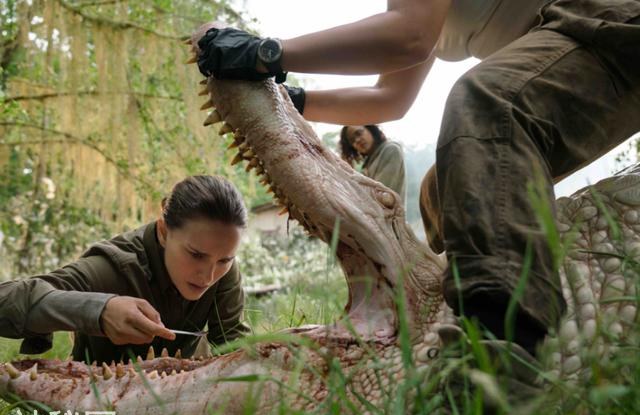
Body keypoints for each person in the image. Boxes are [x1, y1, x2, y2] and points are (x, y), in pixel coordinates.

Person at [190, 0, 640, 357]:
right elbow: (390, 97)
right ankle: (449, 308)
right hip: (568, 43)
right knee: (443, 190)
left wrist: (265, 53)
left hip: (607, 18)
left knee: (487, 102)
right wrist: (293, 100)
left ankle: (500, 349)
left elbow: (407, 37)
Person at [0, 175, 249, 363]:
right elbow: (5, 300)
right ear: (163, 231)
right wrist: (100, 311)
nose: (209, 276)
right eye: (195, 255)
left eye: (225, 260)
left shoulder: (223, 270)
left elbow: (234, 349)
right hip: (96, 413)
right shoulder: (111, 267)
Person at [339, 125, 406, 204]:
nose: (357, 140)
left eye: (359, 133)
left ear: (370, 129)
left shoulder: (390, 150)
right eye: (352, 140)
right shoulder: (369, 162)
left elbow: (381, 194)